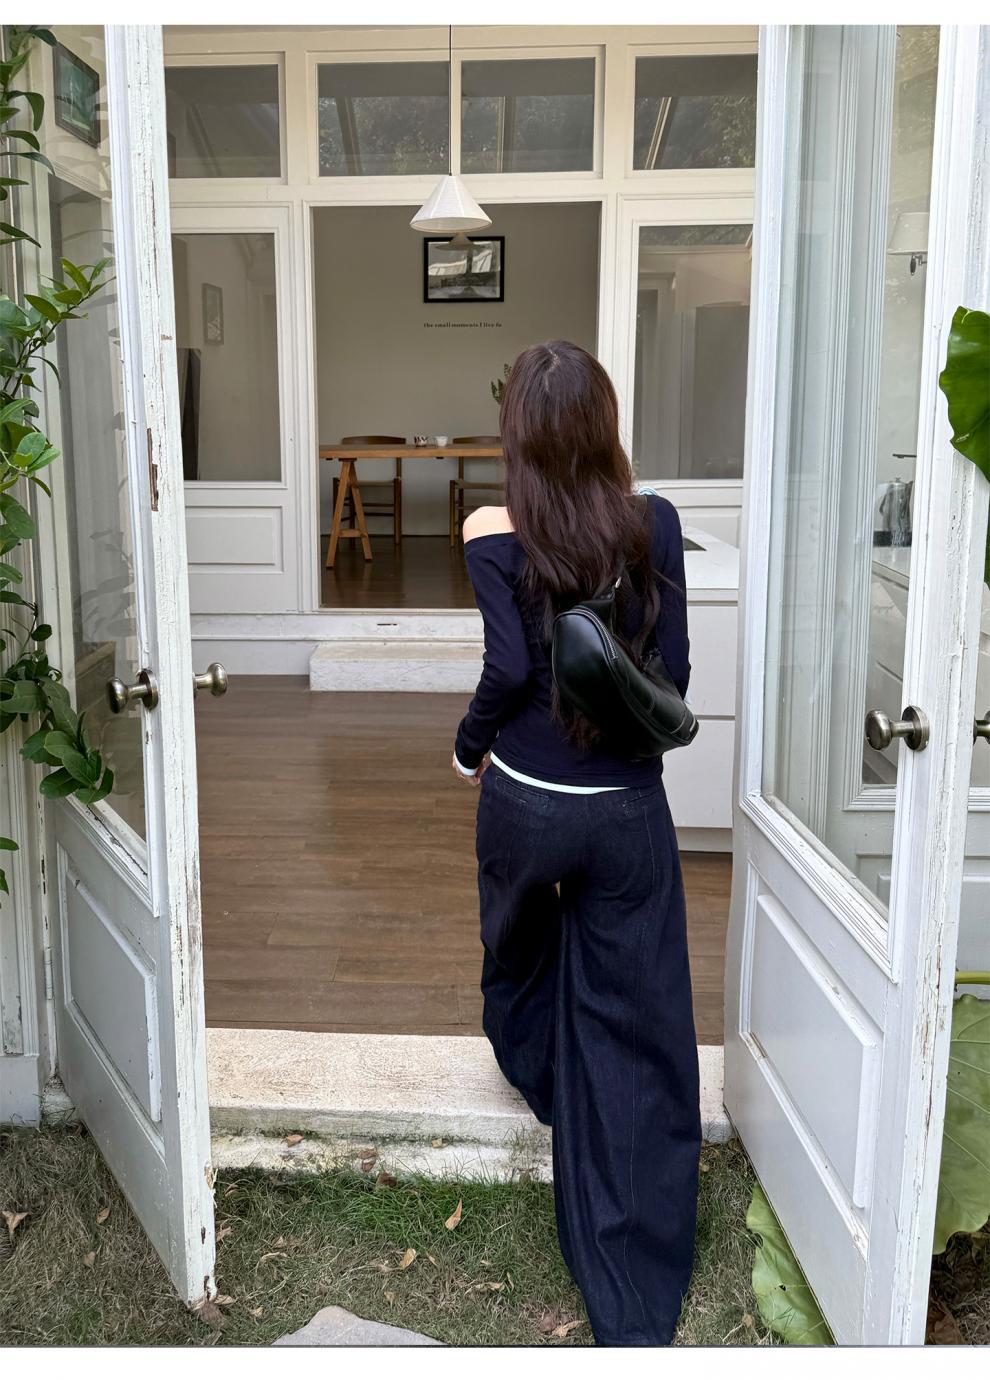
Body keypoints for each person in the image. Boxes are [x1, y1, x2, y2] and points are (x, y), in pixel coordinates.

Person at [451, 340, 702, 1347]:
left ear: (515, 434)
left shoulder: (487, 530)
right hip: (625, 809)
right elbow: (674, 669)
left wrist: (467, 747)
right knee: (635, 1011)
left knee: (515, 951)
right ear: (605, 425)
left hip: (526, 802)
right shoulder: (656, 523)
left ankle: (548, 1079)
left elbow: (509, 669)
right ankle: (634, 1281)